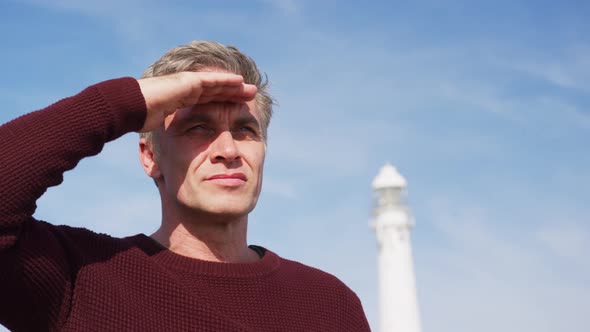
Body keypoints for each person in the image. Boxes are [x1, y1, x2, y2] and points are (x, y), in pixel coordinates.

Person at [0, 41, 370, 331]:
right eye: (198, 129)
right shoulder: (81, 280)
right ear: (150, 157)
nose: (228, 151)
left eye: (245, 131)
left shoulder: (330, 303)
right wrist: (129, 100)